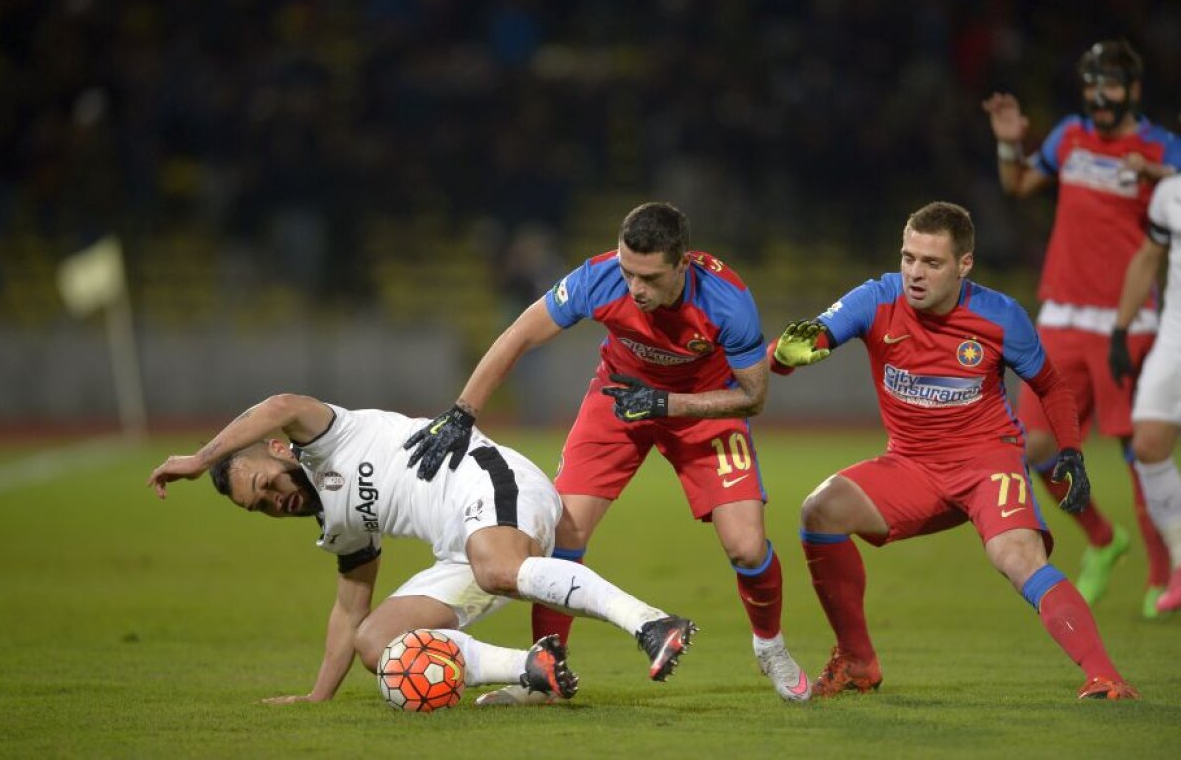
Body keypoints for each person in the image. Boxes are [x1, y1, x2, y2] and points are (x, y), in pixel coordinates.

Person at [403, 202, 810, 704]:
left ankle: (770, 647)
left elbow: (754, 397)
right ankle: (544, 676)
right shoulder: (599, 277)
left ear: (683, 265)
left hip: (704, 408)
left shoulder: (728, 300)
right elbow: (520, 334)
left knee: (746, 546)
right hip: (618, 399)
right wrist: (464, 411)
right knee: (561, 535)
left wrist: (667, 403)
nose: (635, 288)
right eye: (627, 271)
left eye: (650, 277)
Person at [770, 201, 1138, 700]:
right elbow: (812, 337)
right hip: (911, 465)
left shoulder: (1000, 316)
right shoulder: (877, 299)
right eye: (908, 258)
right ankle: (857, 661)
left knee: (1017, 557)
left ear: (964, 265)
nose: (914, 274)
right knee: (821, 512)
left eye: (931, 262)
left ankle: (1105, 676)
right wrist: (787, 357)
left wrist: (1070, 450)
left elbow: (1051, 387)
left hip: (988, 462)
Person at [146, 393, 697, 705]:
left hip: (489, 480)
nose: (275, 502)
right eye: (260, 508)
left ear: (275, 449)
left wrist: (197, 460)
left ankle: (649, 622)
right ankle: (532, 668)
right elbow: (348, 608)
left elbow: (281, 403)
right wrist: (317, 697)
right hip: (463, 548)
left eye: (267, 485)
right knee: (375, 643)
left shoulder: (323, 437)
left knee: (496, 565)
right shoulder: (338, 524)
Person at [982, 38, 1181, 618]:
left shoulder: (1160, 146)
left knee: (1139, 450)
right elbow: (1017, 185)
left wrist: (1161, 173)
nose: (1099, 95)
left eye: (1111, 83)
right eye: (1092, 83)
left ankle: (1161, 575)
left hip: (1127, 318)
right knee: (1035, 443)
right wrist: (1007, 140)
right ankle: (1100, 537)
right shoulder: (1069, 136)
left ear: (1134, 90)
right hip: (1061, 314)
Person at [1111, 173, 1181, 612]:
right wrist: (1121, 327)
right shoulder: (1170, 191)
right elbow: (1149, 256)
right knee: (1148, 443)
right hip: (1175, 336)